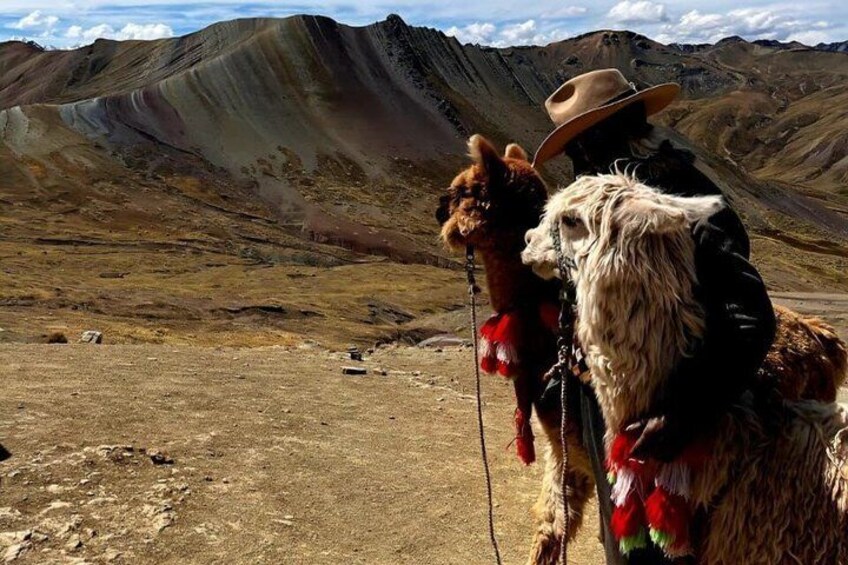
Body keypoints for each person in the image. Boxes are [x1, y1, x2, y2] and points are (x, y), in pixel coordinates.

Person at [532, 69, 776, 564]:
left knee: (674, 549)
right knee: (621, 539)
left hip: (681, 419)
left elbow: (749, 315)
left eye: (582, 150)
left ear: (614, 134)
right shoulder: (599, 210)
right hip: (609, 402)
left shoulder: (679, 204)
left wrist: (685, 410)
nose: (578, 168)